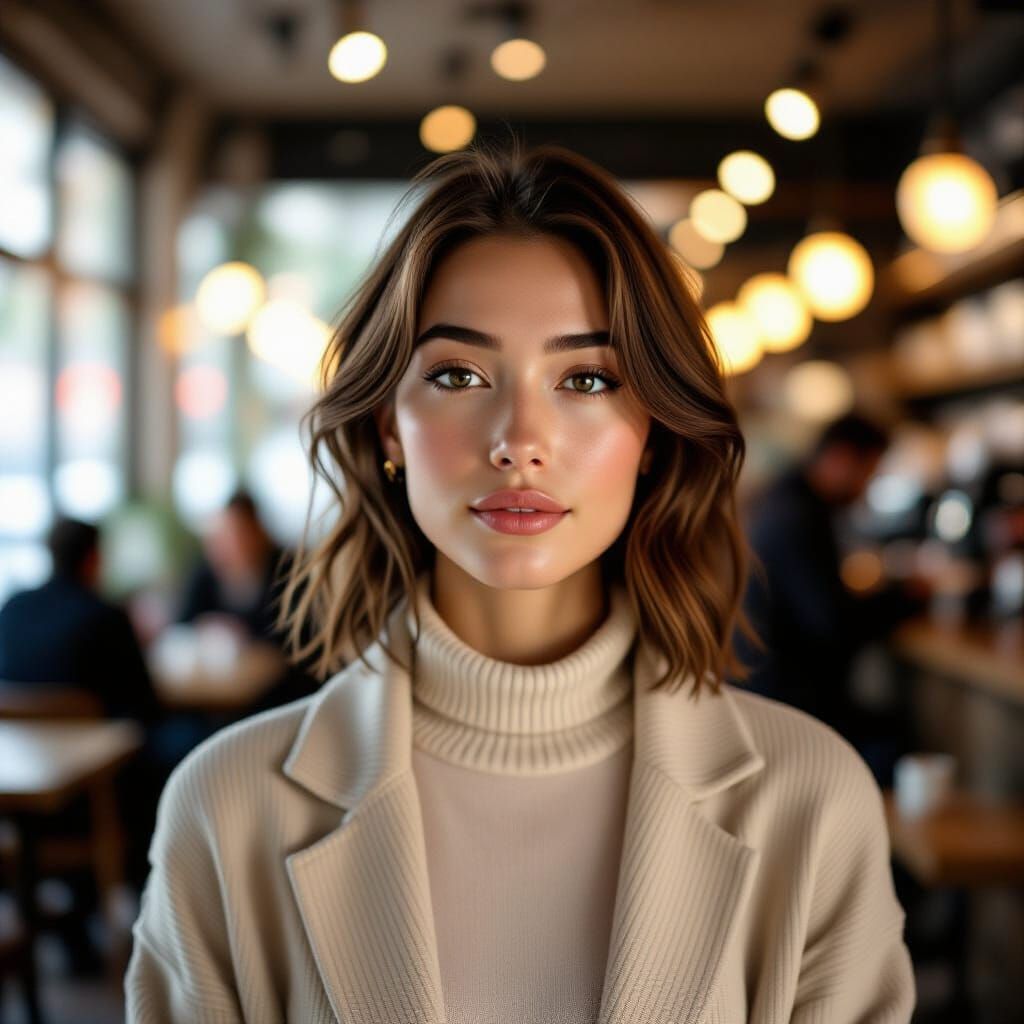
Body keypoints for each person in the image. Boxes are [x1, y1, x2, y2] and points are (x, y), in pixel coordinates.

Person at [125, 142, 915, 1022]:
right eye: (459, 375)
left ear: (652, 431)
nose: (519, 439)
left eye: (586, 377)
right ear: (389, 424)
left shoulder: (811, 802)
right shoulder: (225, 807)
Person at [734, 413, 930, 786]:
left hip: (764, 691)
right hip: (784, 703)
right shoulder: (797, 516)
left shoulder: (786, 502)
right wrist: (907, 598)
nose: (867, 486)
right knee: (896, 739)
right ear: (841, 458)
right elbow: (832, 624)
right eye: (869, 472)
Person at [177, 488, 319, 712]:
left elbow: (294, 637)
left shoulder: (288, 570)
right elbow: (183, 622)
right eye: (225, 536)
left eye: (240, 534)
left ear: (258, 531)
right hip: (218, 685)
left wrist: (241, 632)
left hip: (283, 692)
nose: (232, 544)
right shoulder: (207, 571)